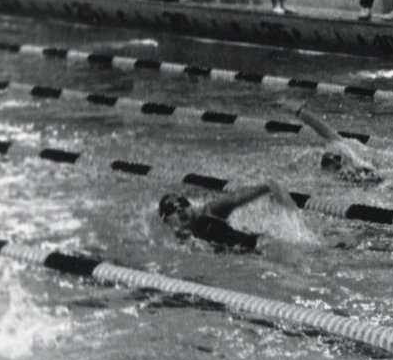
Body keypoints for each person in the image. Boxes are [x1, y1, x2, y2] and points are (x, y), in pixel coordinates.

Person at [156, 180, 299, 253]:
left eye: (183, 203)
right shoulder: (180, 244)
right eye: (171, 209)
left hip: (268, 248)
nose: (180, 209)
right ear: (166, 221)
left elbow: (235, 199)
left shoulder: (209, 211)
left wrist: (267, 187)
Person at [296, 106, 381, 184]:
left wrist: (300, 113)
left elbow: (322, 128)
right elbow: (321, 128)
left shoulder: (343, 148)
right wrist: (300, 113)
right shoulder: (344, 149)